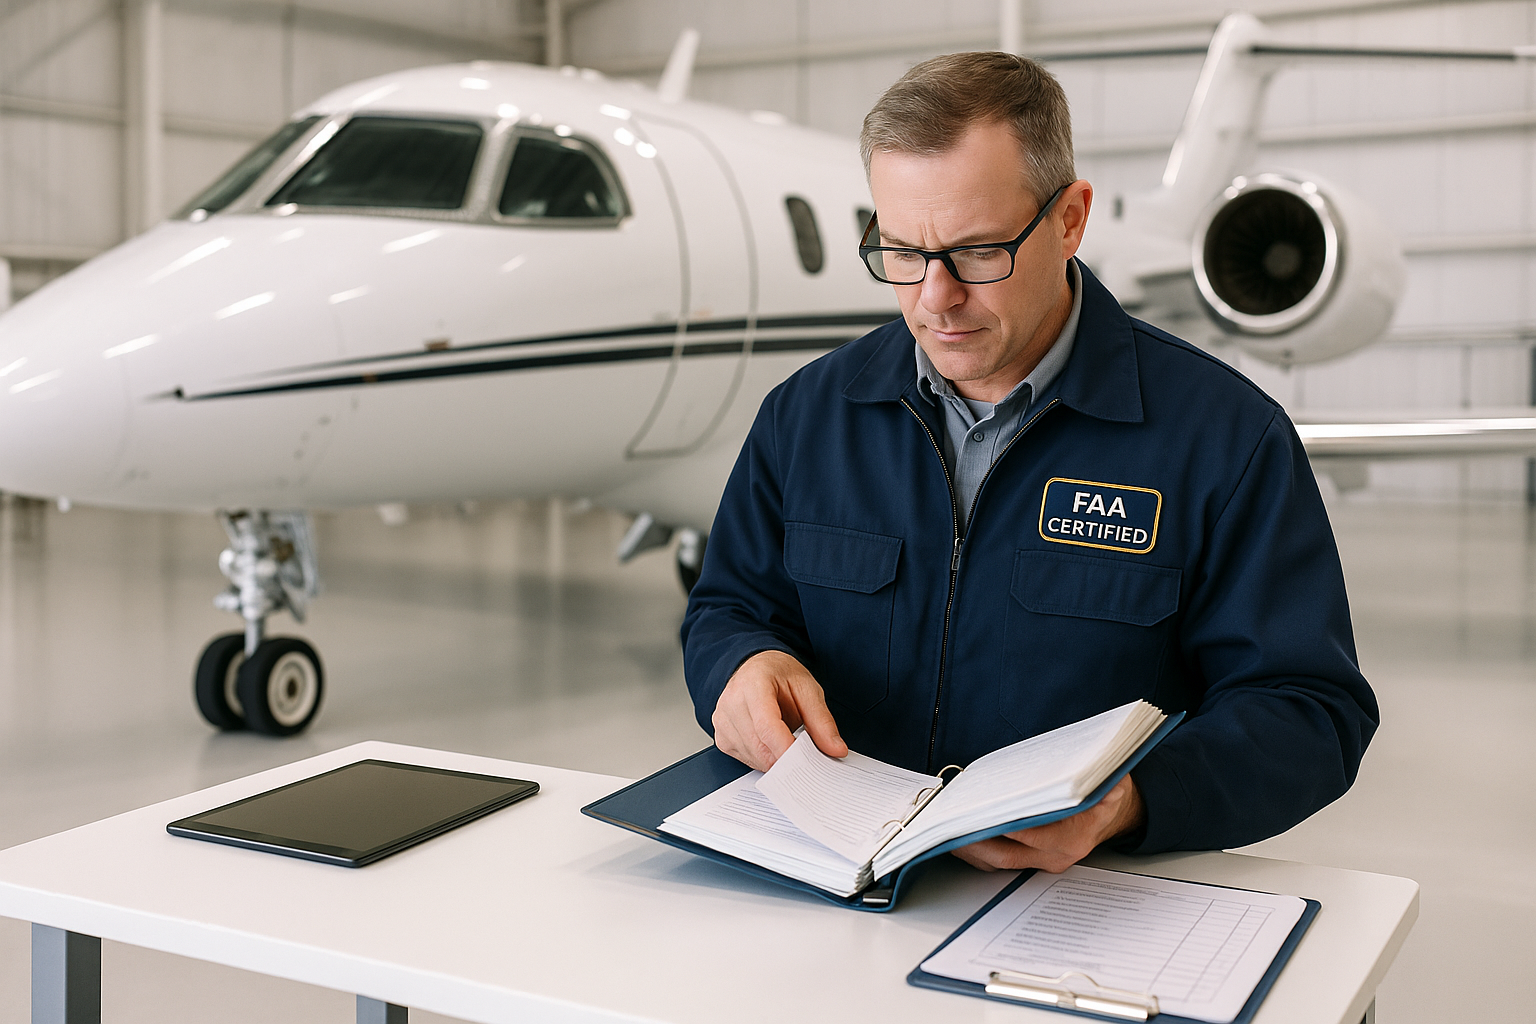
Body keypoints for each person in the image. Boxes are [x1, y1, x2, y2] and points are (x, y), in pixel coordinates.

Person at [680, 52, 1377, 874]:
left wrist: (1130, 801)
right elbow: (728, 607)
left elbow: (1309, 712)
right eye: (901, 251)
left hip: (1083, 910)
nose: (934, 298)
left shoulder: (1225, 439)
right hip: (834, 889)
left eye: (978, 253)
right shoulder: (805, 417)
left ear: (1070, 220)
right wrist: (741, 666)